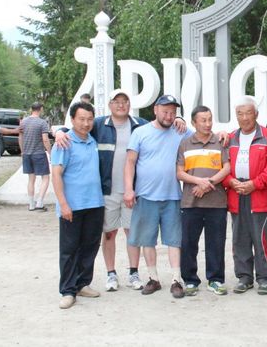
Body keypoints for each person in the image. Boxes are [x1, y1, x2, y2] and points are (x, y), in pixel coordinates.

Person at [55, 89, 187, 292]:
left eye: (125, 101)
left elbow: (166, 122)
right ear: (109, 105)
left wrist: (179, 119)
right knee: (109, 233)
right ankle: (111, 274)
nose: (121, 105)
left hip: (133, 191)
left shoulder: (139, 124)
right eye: (116, 101)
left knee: (132, 233)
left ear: (129, 104)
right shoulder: (98, 124)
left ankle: (134, 273)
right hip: (107, 190)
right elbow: (78, 127)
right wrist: (59, 131)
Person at [124, 94, 192, 299]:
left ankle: (176, 279)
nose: (169, 116)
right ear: (155, 110)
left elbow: (202, 137)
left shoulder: (181, 132)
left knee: (174, 240)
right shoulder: (140, 132)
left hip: (172, 195)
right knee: (147, 240)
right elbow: (130, 162)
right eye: (165, 111)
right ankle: (153, 278)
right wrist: (128, 189)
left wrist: (221, 134)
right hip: (146, 195)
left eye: (173, 112)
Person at [223, 96, 267, 295]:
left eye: (248, 113)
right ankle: (244, 277)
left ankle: (265, 278)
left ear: (256, 114)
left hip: (260, 195)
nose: (244, 117)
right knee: (239, 239)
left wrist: (255, 184)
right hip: (236, 193)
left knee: (261, 238)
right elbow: (221, 166)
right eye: (240, 114)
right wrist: (230, 181)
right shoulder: (230, 138)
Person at [51, 102, 104, 309]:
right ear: (72, 120)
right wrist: (63, 204)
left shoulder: (92, 140)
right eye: (81, 119)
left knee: (90, 246)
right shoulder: (64, 142)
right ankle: (68, 290)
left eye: (89, 119)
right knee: (69, 249)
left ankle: (82, 284)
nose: (86, 123)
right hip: (72, 206)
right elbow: (56, 174)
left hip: (95, 203)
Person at [177, 106, 231, 296]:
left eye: (210, 119)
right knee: (188, 243)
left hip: (217, 203)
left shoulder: (220, 142)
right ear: (194, 123)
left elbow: (226, 168)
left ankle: (215, 279)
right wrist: (198, 181)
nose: (208, 124)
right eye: (203, 120)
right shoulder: (185, 143)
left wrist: (208, 184)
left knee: (216, 243)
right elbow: (179, 172)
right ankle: (190, 280)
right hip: (190, 203)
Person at [19, 102, 51, 212]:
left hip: (27, 153)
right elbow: (45, 139)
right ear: (41, 109)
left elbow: (20, 137)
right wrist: (50, 152)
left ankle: (31, 204)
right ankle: (40, 203)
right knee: (45, 178)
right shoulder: (42, 123)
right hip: (39, 153)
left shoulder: (23, 122)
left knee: (31, 179)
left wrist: (22, 150)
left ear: (31, 109)